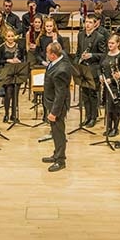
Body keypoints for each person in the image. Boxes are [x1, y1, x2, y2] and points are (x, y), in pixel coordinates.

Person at [42, 42, 72, 172]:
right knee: (55, 132)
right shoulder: (60, 58)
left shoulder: (61, 70)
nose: (46, 55)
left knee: (59, 133)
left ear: (53, 55)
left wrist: (54, 112)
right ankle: (56, 154)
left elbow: (61, 95)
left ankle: (61, 160)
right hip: (51, 101)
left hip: (57, 105)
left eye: (48, 53)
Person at [74, 14, 106, 128]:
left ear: (95, 24)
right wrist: (77, 62)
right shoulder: (80, 35)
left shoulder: (99, 37)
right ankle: (87, 116)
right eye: (86, 22)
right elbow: (78, 51)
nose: (87, 24)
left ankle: (93, 117)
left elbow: (103, 55)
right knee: (85, 94)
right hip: (83, 69)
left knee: (93, 94)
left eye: (90, 22)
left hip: (93, 69)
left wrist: (91, 55)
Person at [0, 29, 25, 122]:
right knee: (8, 93)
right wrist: (7, 60)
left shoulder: (19, 47)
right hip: (7, 73)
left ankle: (14, 115)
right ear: (5, 37)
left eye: (12, 36)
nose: (11, 38)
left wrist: (19, 61)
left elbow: (24, 58)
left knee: (15, 94)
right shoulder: (1, 48)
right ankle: (6, 114)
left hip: (17, 73)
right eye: (9, 36)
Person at [100, 34, 120, 138]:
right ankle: (108, 127)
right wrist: (100, 76)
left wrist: (112, 80)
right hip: (106, 85)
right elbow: (100, 67)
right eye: (109, 43)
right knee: (108, 107)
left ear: (118, 44)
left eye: (112, 43)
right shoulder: (106, 54)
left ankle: (115, 128)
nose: (110, 45)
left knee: (115, 108)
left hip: (115, 86)